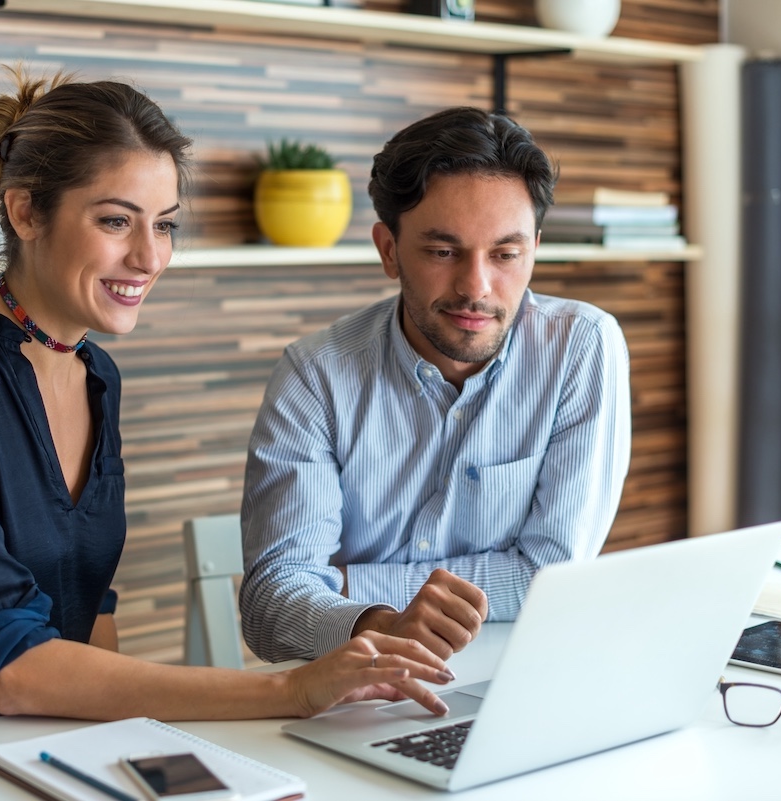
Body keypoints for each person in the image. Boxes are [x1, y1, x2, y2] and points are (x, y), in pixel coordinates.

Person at [0, 71, 458, 746]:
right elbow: (8, 666)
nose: (149, 256)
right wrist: (290, 688)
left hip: (46, 750)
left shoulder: (95, 373)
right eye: (116, 220)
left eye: (164, 225)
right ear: (27, 212)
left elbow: (91, 611)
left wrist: (138, 750)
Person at [239, 107, 632, 664]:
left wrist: (350, 586)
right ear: (389, 250)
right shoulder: (315, 376)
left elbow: (552, 576)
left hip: (521, 680)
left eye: (505, 254)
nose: (477, 286)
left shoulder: (581, 348)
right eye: (443, 252)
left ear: (535, 250)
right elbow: (270, 606)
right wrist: (382, 623)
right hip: (357, 691)